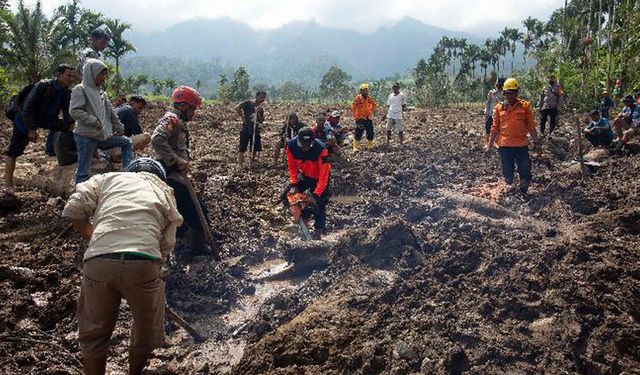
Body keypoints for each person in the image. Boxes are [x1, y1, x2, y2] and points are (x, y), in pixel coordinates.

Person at [62, 157, 183, 375]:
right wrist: (159, 267)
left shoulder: (107, 179)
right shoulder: (163, 190)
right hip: (143, 261)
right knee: (146, 331)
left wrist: (94, 237)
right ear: (159, 177)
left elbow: (73, 208)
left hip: (98, 261)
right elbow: (167, 243)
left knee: (94, 333)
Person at [151, 86, 214, 256]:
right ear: (184, 106)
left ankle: (181, 245)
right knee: (196, 210)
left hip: (176, 175)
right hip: (171, 176)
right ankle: (195, 249)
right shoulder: (172, 120)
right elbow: (156, 139)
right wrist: (176, 160)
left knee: (181, 211)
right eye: (193, 108)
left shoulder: (178, 121)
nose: (194, 113)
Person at [3, 64, 75, 196]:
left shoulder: (66, 93)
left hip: (46, 120)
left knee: (71, 130)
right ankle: (8, 184)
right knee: (14, 151)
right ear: (59, 75)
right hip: (25, 119)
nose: (71, 79)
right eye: (68, 75)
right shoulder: (43, 86)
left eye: (72, 76)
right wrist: (31, 129)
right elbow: (27, 108)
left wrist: (71, 126)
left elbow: (67, 113)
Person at [70, 59, 133, 184]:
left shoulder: (101, 93)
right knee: (83, 171)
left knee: (126, 143)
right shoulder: (80, 89)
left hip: (102, 136)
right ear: (92, 73)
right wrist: (94, 121)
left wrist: (119, 127)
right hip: (86, 136)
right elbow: (74, 111)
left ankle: (128, 173)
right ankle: (80, 196)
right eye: (101, 74)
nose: (104, 78)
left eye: (105, 74)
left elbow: (111, 112)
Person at [486, 78, 540, 195]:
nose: (510, 96)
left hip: (521, 145)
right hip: (505, 146)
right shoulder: (499, 108)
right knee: (507, 172)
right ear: (504, 93)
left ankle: (524, 190)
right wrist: (489, 145)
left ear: (517, 93)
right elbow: (494, 128)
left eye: (512, 93)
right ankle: (509, 192)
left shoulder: (525, 106)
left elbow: (531, 126)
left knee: (525, 170)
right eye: (507, 93)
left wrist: (536, 142)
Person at [284, 127, 331, 240]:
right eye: (302, 145)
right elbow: (292, 167)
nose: (305, 148)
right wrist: (294, 184)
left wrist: (315, 195)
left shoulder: (321, 149)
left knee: (320, 204)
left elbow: (324, 175)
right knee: (287, 196)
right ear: (298, 141)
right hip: (305, 175)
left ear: (312, 142)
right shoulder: (291, 146)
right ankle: (303, 225)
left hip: (320, 178)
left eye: (308, 145)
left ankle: (318, 233)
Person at [235, 90, 266, 164]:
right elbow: (237, 108)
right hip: (246, 128)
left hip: (255, 130)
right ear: (256, 96)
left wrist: (258, 113)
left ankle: (251, 162)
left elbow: (261, 121)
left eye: (264, 98)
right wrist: (242, 118)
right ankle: (239, 163)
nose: (262, 100)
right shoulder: (248, 103)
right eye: (261, 97)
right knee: (242, 148)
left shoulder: (260, 109)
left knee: (254, 147)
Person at [351, 83, 377, 151]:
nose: (365, 92)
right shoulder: (358, 98)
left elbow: (374, 104)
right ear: (361, 91)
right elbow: (353, 108)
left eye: (366, 90)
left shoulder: (369, 98)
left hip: (368, 117)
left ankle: (370, 145)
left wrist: (370, 110)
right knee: (358, 132)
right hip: (360, 118)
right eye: (364, 90)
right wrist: (356, 117)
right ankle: (355, 147)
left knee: (370, 131)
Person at [484, 78, 506, 146]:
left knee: (499, 129)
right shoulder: (491, 93)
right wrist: (486, 113)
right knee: (488, 127)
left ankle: (497, 143)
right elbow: (488, 103)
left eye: (500, 84)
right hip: (491, 114)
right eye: (498, 84)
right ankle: (487, 143)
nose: (499, 86)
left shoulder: (505, 94)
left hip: (500, 115)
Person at [386, 82, 407, 146]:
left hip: (398, 114)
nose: (395, 88)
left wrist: (401, 110)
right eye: (393, 87)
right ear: (392, 88)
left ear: (398, 88)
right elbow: (388, 105)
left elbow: (404, 105)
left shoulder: (402, 95)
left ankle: (401, 142)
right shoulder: (390, 95)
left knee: (400, 129)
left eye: (396, 87)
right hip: (390, 114)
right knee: (388, 128)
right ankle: (388, 142)